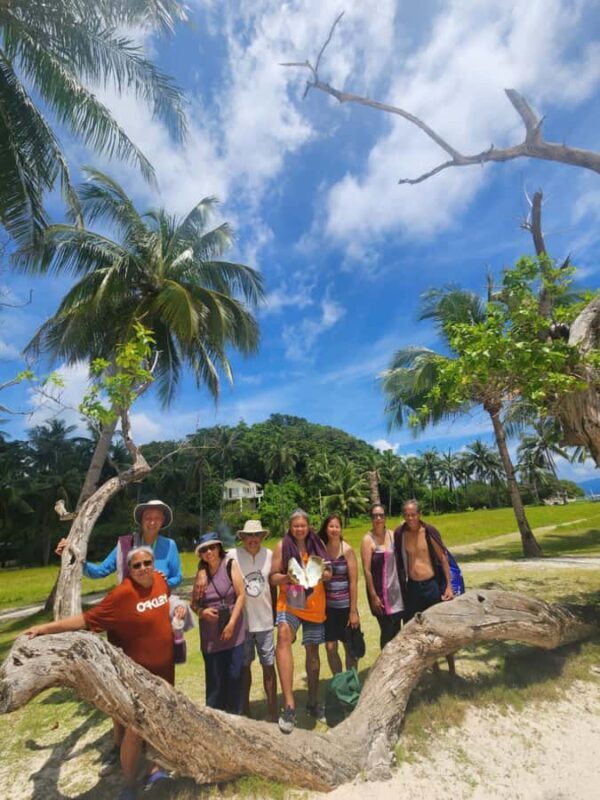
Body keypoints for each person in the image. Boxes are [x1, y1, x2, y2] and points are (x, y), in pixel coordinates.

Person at [23, 546, 189, 800]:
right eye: (137, 565)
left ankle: (156, 770)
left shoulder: (159, 581)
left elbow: (164, 605)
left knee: (159, 723)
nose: (143, 568)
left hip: (164, 673)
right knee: (135, 730)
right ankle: (130, 784)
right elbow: (87, 619)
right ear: (129, 570)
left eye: (148, 562)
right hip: (136, 677)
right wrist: (46, 628)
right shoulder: (121, 596)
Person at [55, 498, 183, 774]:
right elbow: (100, 570)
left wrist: (162, 579)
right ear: (141, 519)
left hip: (155, 625)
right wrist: (75, 555)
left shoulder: (170, 547)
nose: (152, 521)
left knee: (159, 686)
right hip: (125, 629)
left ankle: (156, 744)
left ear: (163, 521)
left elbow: (176, 578)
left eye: (157, 517)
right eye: (148, 516)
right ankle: (118, 743)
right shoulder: (125, 544)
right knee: (121, 688)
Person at [270, 509, 332, 734]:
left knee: (312, 652)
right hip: (291, 602)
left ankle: (313, 701)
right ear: (290, 527)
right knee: (283, 636)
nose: (299, 529)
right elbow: (273, 577)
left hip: (314, 605)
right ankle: (289, 705)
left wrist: (326, 574)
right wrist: (287, 577)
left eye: (302, 525)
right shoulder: (282, 546)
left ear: (308, 526)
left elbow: (329, 570)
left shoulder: (317, 545)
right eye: (295, 525)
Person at [394, 499, 455, 674]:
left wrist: (448, 586)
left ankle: (451, 668)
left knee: (441, 627)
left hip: (431, 586)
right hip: (413, 587)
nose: (410, 517)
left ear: (419, 514)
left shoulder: (428, 532)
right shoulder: (401, 534)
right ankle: (434, 668)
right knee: (420, 628)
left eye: (413, 514)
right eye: (406, 515)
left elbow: (443, 558)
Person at [228, 520, 278, 722]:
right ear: (243, 538)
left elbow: (273, 586)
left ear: (262, 537)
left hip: (265, 622)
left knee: (268, 666)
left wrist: (275, 614)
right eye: (249, 535)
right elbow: (209, 560)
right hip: (243, 624)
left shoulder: (270, 555)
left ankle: (273, 711)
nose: (253, 539)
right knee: (244, 668)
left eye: (257, 535)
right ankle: (245, 710)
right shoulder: (233, 556)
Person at [193, 532, 246, 713]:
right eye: (204, 549)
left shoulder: (230, 564)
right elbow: (193, 604)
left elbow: (241, 595)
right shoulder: (200, 575)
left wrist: (231, 624)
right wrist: (202, 611)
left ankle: (237, 718)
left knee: (235, 676)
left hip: (234, 631)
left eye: (212, 547)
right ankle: (216, 721)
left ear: (219, 548)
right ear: (200, 554)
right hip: (211, 637)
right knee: (215, 682)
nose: (209, 552)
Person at [318, 513, 360, 673]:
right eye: (331, 526)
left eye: (337, 526)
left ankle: (352, 684)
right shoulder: (321, 550)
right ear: (326, 528)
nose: (334, 529)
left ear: (341, 528)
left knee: (350, 647)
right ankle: (340, 681)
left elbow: (353, 582)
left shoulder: (347, 550)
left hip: (346, 607)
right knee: (330, 648)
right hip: (328, 609)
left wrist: (353, 611)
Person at [360, 503, 404, 649]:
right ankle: (385, 666)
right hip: (379, 594)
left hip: (396, 591)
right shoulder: (367, 539)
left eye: (381, 515)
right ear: (371, 519)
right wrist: (373, 596)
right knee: (387, 631)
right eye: (375, 516)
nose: (378, 518)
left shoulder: (392, 535)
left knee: (398, 630)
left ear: (385, 517)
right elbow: (367, 570)